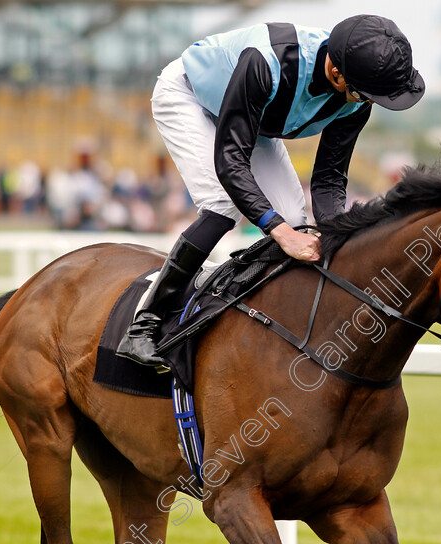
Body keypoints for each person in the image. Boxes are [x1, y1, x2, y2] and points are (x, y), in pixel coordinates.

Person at [117, 14, 425, 367]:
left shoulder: (356, 93)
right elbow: (231, 161)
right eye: (366, 95)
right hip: (189, 94)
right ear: (337, 74)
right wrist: (279, 232)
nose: (368, 103)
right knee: (223, 206)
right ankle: (144, 325)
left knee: (297, 222)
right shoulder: (266, 63)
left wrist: (339, 239)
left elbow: (328, 180)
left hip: (252, 116)